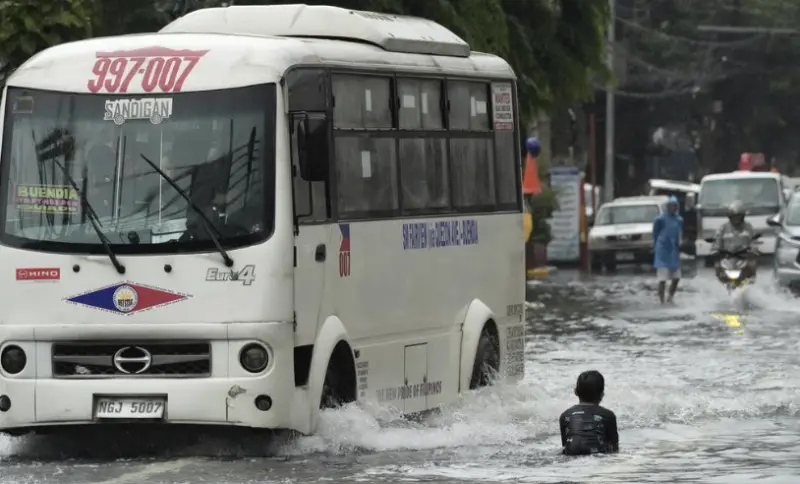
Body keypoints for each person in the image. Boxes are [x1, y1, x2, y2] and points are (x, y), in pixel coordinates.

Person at [559, 370, 619, 456]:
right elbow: (614, 448)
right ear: (602, 394)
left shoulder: (565, 415)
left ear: (575, 392)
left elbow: (565, 445)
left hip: (571, 456)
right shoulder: (608, 415)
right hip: (599, 457)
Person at [710, 200, 758, 276]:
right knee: (717, 266)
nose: (737, 219)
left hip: (743, 257)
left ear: (743, 217)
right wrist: (715, 250)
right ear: (730, 217)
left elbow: (753, 241)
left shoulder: (748, 227)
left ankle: (750, 281)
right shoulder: (723, 228)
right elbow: (717, 241)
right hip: (727, 258)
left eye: (739, 217)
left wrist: (753, 250)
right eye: (734, 217)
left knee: (752, 265)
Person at [652, 195, 683, 304]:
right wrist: (655, 246)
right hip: (662, 251)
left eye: (676, 206)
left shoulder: (679, 220)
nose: (674, 208)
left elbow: (679, 234)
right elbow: (655, 233)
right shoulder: (660, 219)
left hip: (673, 251)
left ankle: (670, 297)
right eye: (672, 206)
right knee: (662, 279)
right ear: (668, 207)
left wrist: (679, 246)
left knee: (677, 277)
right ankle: (661, 301)